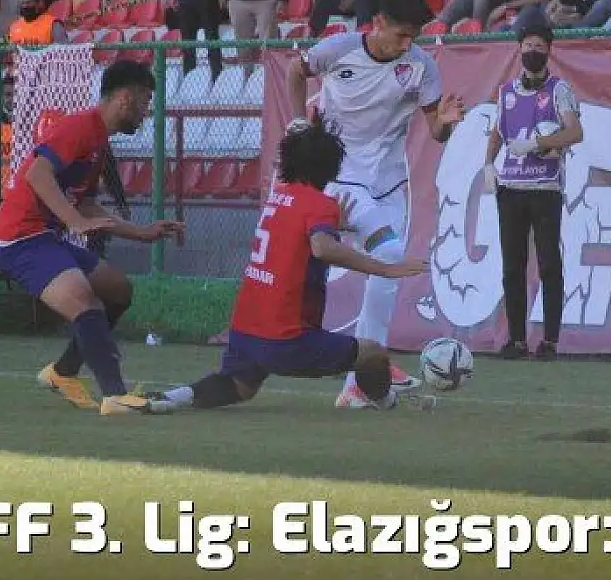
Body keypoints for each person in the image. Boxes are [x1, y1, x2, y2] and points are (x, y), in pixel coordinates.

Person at [147, 116, 430, 414]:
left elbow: (300, 237)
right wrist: (384, 268)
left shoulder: (278, 197)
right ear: (332, 168)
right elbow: (322, 247)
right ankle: (387, 402)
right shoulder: (320, 204)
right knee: (373, 353)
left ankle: (170, 398)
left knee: (239, 385)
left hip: (245, 329)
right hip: (287, 337)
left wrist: (333, 226)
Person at [286, 0, 466, 408]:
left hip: (390, 184)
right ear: (378, 23)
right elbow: (296, 70)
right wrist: (298, 124)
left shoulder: (421, 67)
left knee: (390, 266)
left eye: (413, 37)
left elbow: (435, 130)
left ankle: (367, 371)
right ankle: (362, 373)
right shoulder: (338, 50)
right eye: (401, 35)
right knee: (389, 254)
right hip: (340, 176)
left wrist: (446, 123)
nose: (407, 45)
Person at [0, 60, 185, 416]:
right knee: (84, 300)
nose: (146, 112)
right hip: (18, 239)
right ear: (125, 98)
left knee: (118, 289)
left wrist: (143, 233)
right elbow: (37, 174)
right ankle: (114, 396)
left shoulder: (99, 142)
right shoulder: (79, 126)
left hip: (45, 238)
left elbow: (87, 204)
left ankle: (62, 373)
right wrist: (74, 222)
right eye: (144, 101)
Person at [482, 22, 582, 360]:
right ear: (519, 49)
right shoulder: (506, 91)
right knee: (512, 266)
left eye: (539, 47)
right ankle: (516, 340)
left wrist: (538, 143)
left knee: (549, 263)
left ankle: (550, 340)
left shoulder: (558, 90)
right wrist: (488, 164)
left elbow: (574, 133)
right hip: (510, 187)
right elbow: (498, 131)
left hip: (545, 187)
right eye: (528, 46)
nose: (533, 52)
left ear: (549, 50)